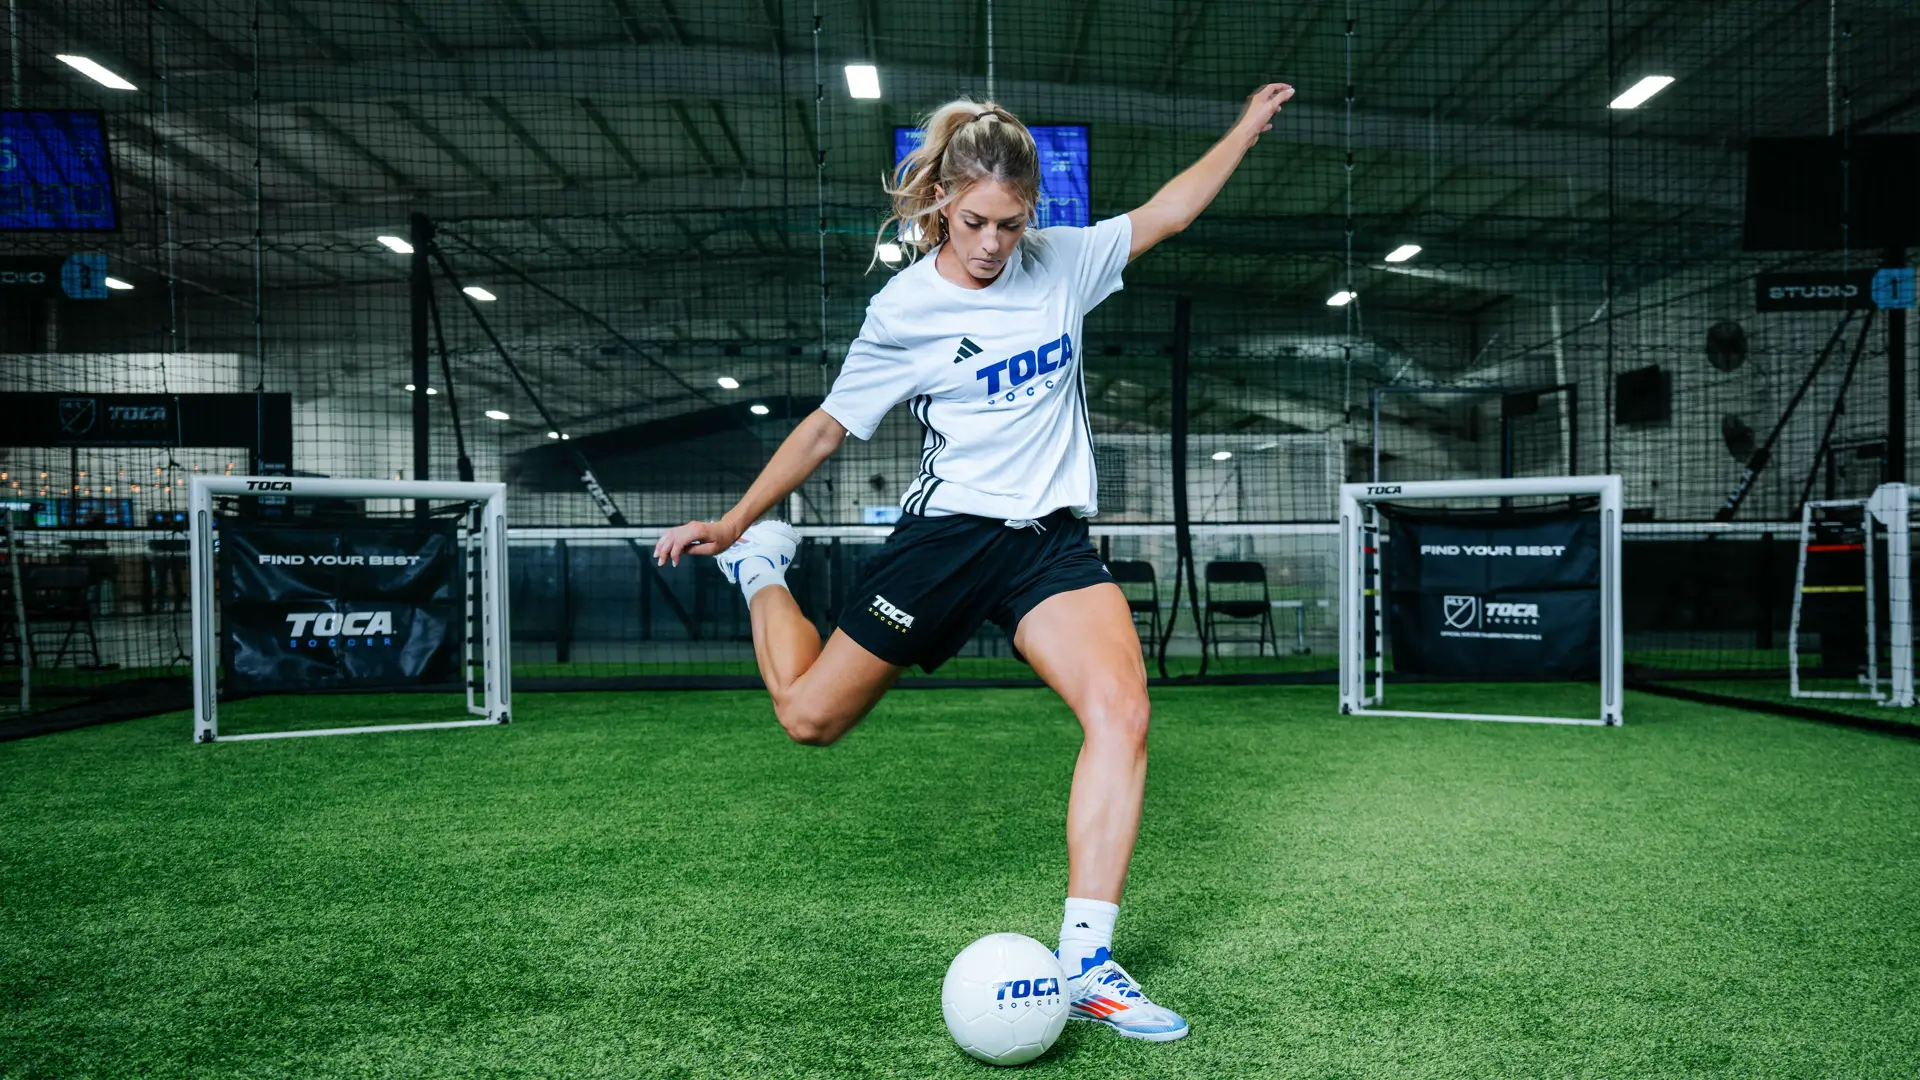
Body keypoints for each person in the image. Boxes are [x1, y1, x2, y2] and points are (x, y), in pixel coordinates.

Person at [655, 83, 1294, 1043]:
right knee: (808, 719)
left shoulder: (1065, 263)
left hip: (1048, 545)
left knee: (1123, 710)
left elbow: (1168, 211)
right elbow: (829, 427)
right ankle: (763, 569)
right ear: (941, 203)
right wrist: (739, 517)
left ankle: (1087, 961)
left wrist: (1241, 129)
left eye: (1011, 222)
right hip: (947, 541)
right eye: (976, 221)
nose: (993, 243)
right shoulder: (904, 306)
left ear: (1034, 213)